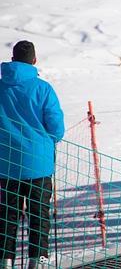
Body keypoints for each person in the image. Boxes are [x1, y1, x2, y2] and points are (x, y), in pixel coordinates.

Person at [0, 41, 64, 268]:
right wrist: (46, 141)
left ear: (13, 59)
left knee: (7, 216)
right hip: (39, 164)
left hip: (6, 165)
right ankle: (38, 261)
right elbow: (56, 127)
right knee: (39, 216)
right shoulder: (43, 88)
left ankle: (5, 261)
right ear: (34, 61)